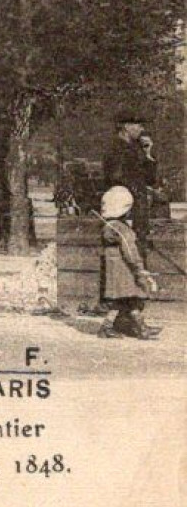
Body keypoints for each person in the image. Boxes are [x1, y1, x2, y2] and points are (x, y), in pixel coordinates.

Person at [97, 186, 160, 340]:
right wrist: (139, 268)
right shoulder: (122, 229)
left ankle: (138, 327)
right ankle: (127, 328)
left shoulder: (108, 227)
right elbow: (130, 252)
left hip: (114, 269)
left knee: (126, 299)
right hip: (124, 269)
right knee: (130, 298)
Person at [102, 114, 157, 253]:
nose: (142, 129)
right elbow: (115, 177)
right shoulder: (115, 148)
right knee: (124, 244)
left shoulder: (138, 149)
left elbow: (151, 179)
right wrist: (135, 190)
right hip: (123, 204)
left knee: (137, 244)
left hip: (137, 206)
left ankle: (141, 271)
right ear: (126, 126)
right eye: (138, 125)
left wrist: (148, 154)